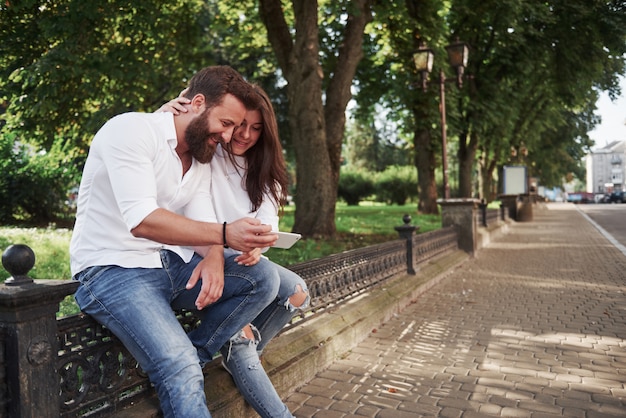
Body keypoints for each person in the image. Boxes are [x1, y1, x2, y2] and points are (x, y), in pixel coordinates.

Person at [69, 66, 282, 418]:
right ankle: (180, 365)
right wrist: (226, 235)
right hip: (112, 270)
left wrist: (214, 255)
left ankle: (189, 356)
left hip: (166, 265)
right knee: (179, 366)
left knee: (263, 279)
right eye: (226, 123)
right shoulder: (130, 130)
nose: (229, 137)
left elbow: (202, 222)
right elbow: (142, 220)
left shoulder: (198, 156)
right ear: (197, 103)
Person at [158, 84, 309, 418]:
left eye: (256, 129)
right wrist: (165, 109)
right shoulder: (211, 149)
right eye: (240, 125)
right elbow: (183, 124)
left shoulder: (265, 169)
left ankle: (237, 346)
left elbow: (267, 222)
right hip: (201, 251)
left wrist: (259, 243)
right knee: (243, 332)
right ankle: (233, 347)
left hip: (241, 255)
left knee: (298, 292)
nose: (244, 135)